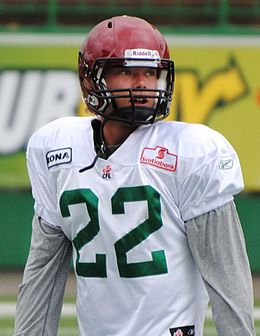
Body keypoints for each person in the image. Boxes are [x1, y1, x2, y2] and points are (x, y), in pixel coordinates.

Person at [14, 15, 255, 336]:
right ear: (90, 80)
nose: (142, 83)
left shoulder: (192, 152)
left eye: (151, 72)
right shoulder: (56, 149)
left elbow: (229, 286)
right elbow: (42, 272)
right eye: (126, 72)